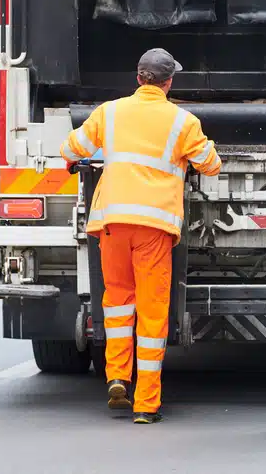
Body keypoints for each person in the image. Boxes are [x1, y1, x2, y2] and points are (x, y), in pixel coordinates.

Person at [60, 48, 222, 424]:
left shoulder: (109, 112)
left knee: (117, 300)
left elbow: (70, 149)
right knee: (152, 311)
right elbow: (211, 165)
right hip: (153, 226)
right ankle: (146, 404)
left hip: (112, 221)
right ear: (169, 83)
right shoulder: (183, 122)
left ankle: (117, 375)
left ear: (138, 79)